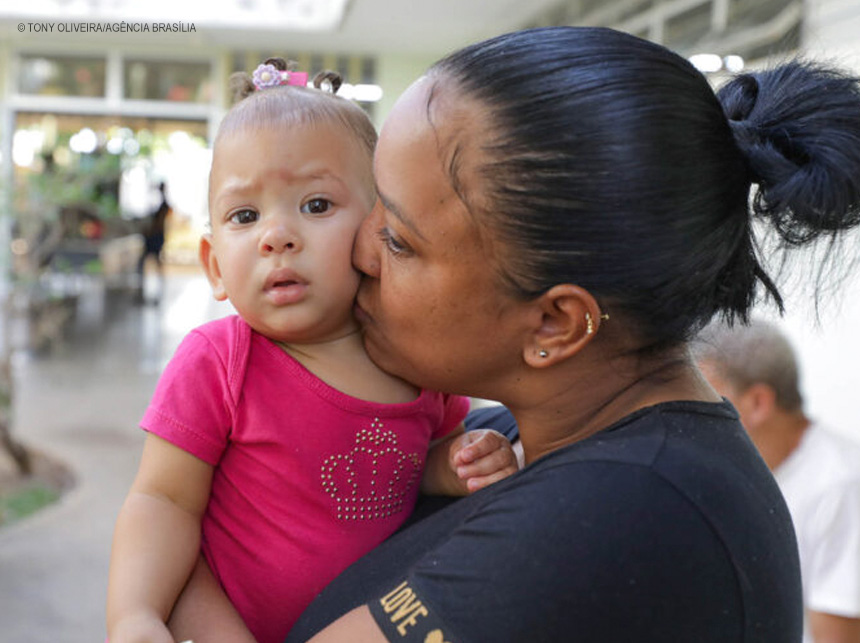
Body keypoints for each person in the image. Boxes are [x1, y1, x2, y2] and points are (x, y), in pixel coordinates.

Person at [169, 27, 860, 642]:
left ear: (554, 323)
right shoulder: (516, 436)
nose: (357, 251)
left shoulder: (623, 514)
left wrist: (170, 575)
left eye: (401, 240)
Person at [106, 58, 518, 643]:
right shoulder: (220, 362)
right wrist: (134, 615)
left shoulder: (416, 360)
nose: (278, 236)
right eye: (245, 215)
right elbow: (163, 500)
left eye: (316, 205)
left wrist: (457, 466)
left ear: (380, 232)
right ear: (215, 265)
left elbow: (402, 471)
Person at [697, 320, 860, 643]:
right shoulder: (731, 473)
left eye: (704, 396)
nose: (690, 415)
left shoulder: (843, 484)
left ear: (757, 402)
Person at [136, 180, 170, 303]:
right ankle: (143, 292)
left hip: (155, 238)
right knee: (151, 264)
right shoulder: (159, 204)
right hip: (155, 238)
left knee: (151, 264)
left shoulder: (163, 205)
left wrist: (150, 232)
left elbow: (158, 223)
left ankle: (151, 292)